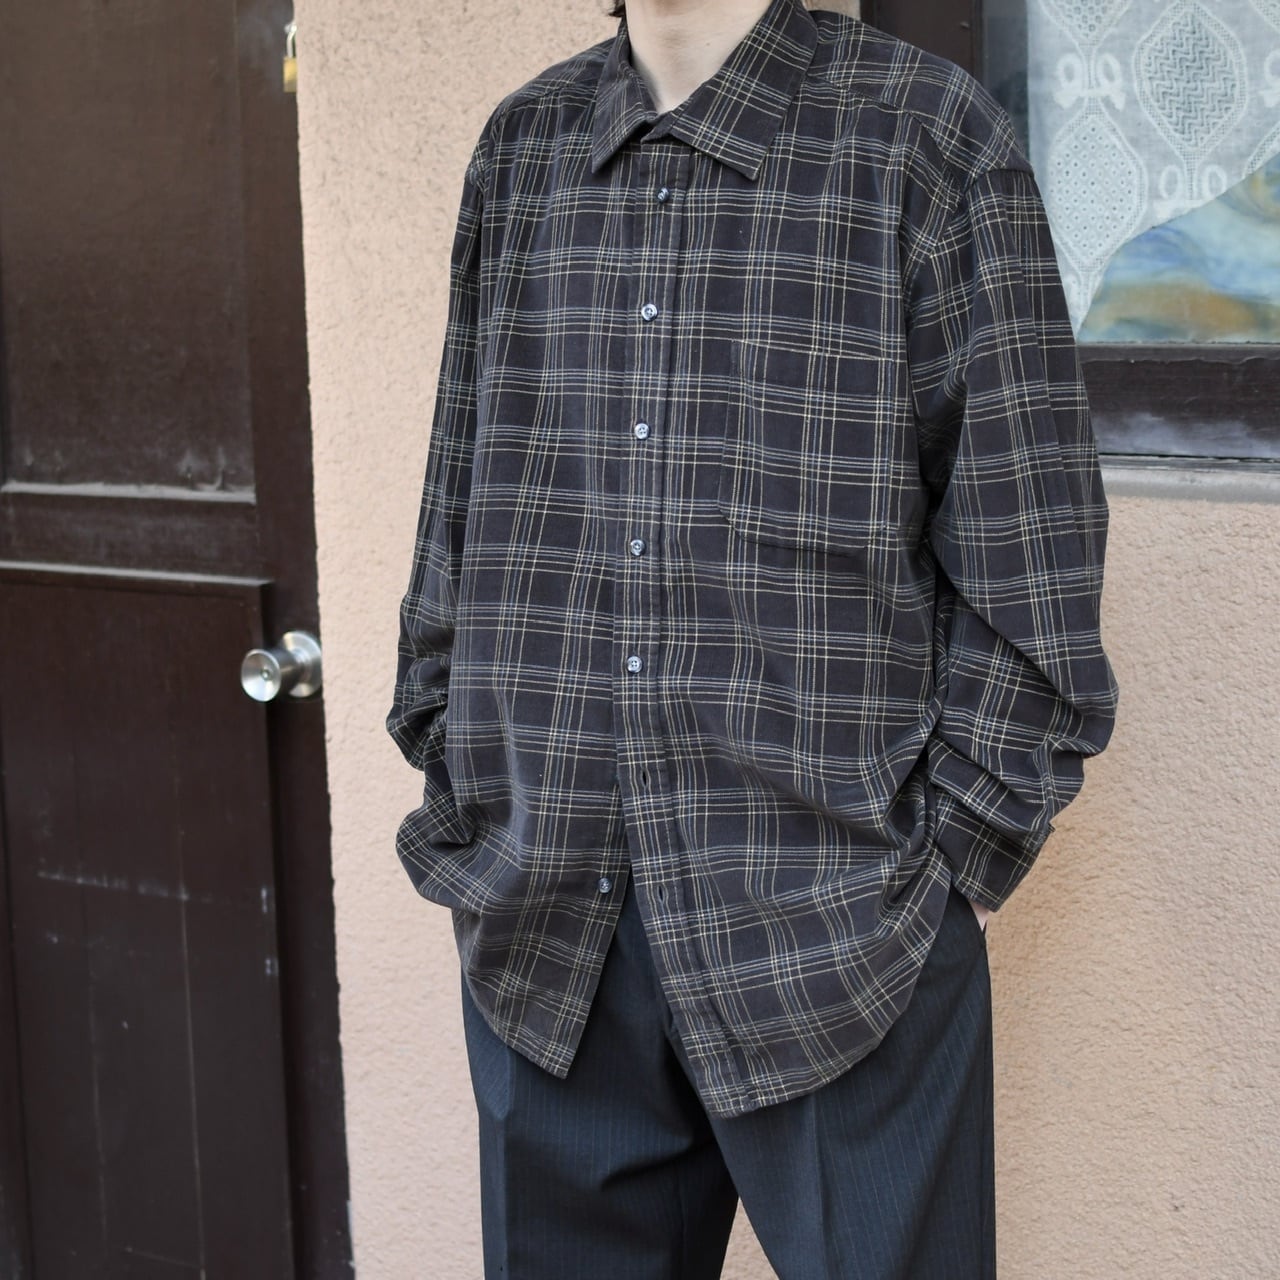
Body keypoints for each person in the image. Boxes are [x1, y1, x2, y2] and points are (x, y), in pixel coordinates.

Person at [388, 0, 1118, 1275]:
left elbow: (1029, 547)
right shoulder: (523, 147)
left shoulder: (922, 138)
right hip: (551, 930)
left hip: (838, 931)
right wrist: (460, 766)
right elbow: (459, 499)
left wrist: (942, 865)